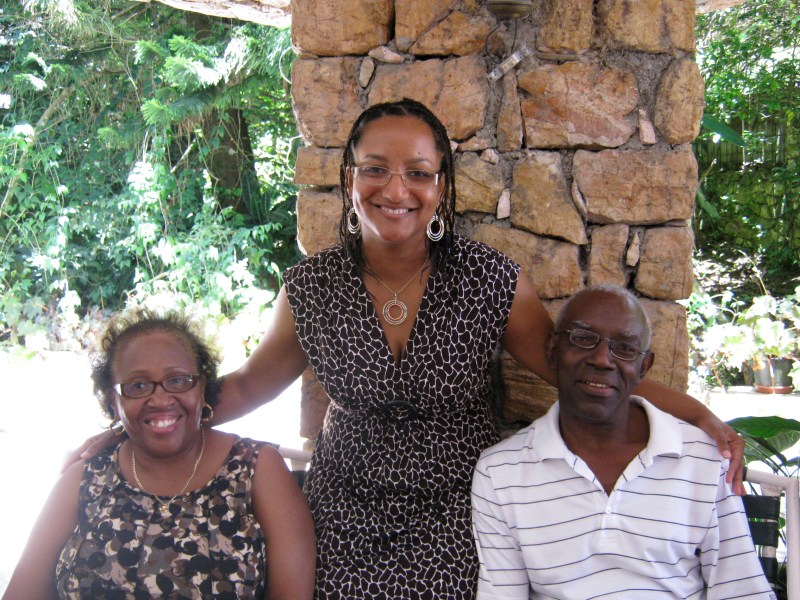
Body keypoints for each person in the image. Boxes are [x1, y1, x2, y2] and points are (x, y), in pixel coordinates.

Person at [72, 99, 743, 599]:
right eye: (376, 170)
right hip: (341, 512)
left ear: (441, 187)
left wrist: (701, 417)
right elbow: (248, 385)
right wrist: (149, 419)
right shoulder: (311, 288)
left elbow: (581, 371)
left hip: (458, 513)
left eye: (418, 173)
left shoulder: (489, 282)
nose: (396, 191)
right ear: (349, 179)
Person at [471, 286, 775, 599]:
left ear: (644, 367)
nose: (602, 359)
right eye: (583, 338)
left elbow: (741, 589)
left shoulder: (703, 458)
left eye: (625, 348)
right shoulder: (501, 472)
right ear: (552, 349)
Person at [3, 309, 315, 600]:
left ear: (201, 388)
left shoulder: (256, 468)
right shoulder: (85, 477)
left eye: (178, 380)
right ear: (113, 401)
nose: (161, 399)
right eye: (138, 386)